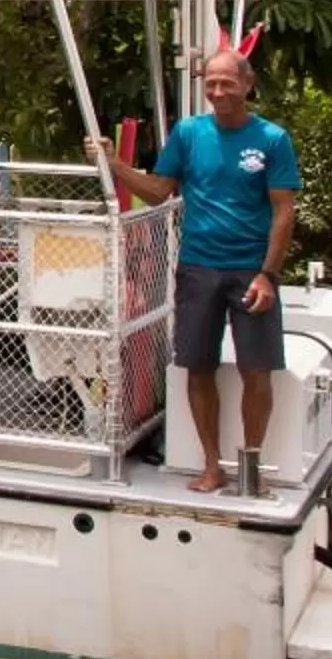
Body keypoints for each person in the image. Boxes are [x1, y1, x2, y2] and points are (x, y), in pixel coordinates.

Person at [89, 49, 300, 496]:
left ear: (247, 84)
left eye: (227, 83)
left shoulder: (272, 139)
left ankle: (251, 466)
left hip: (251, 270)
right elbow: (158, 192)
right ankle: (211, 465)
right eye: (211, 84)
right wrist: (115, 165)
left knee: (257, 370)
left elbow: (284, 211)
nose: (218, 92)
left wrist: (269, 275)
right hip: (197, 267)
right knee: (197, 367)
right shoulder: (188, 133)